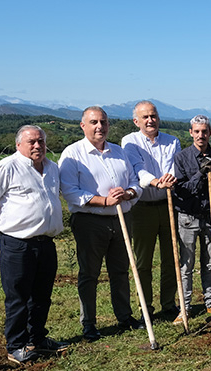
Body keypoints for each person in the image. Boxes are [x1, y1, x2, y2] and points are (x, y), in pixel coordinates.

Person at [0, 125, 68, 363]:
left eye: (41, 141)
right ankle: (16, 345)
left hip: (46, 243)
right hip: (17, 244)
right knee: (18, 296)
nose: (37, 145)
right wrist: (5, 227)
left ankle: (37, 339)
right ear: (19, 145)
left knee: (42, 296)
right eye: (31, 142)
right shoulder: (8, 167)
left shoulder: (52, 168)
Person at [59, 107, 144, 341]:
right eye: (94, 122)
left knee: (120, 271)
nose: (100, 127)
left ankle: (124, 317)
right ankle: (89, 324)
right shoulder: (72, 153)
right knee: (89, 273)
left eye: (103, 122)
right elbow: (70, 192)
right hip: (90, 221)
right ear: (82, 125)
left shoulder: (119, 152)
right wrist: (104, 201)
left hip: (122, 219)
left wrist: (127, 193)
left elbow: (136, 182)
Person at [121, 101, 181, 319]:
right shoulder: (130, 141)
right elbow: (137, 169)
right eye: (145, 117)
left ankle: (169, 303)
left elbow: (175, 167)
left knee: (171, 258)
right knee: (143, 261)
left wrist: (170, 178)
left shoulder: (172, 141)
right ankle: (145, 307)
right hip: (142, 207)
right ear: (136, 121)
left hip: (168, 206)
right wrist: (156, 181)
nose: (150, 120)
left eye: (153, 116)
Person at [171, 115, 211, 323]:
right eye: (197, 131)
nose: (201, 135)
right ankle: (184, 308)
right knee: (187, 264)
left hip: (210, 215)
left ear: (210, 133)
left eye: (204, 131)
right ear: (191, 133)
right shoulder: (181, 158)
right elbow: (182, 190)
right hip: (188, 217)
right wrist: (201, 174)